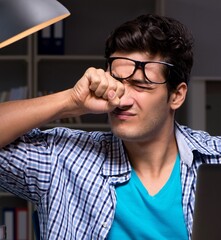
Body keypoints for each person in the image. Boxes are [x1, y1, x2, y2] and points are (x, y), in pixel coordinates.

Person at [0, 13, 218, 240]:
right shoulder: (62, 160)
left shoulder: (215, 159)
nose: (121, 100)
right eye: (116, 83)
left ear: (176, 95)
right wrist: (71, 102)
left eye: (140, 86)